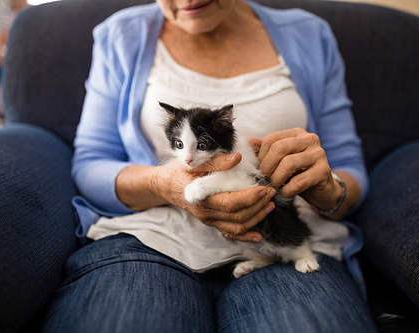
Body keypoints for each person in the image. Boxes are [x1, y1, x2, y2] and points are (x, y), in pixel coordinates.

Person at [42, 1, 378, 332]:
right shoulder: (121, 35)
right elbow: (90, 163)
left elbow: (348, 166)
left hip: (277, 235)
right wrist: (163, 184)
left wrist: (328, 190)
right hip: (151, 239)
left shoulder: (309, 34)